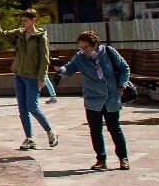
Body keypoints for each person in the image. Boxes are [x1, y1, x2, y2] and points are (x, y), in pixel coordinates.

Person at [52, 30, 131, 170]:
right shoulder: (79, 57)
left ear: (94, 45)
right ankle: (101, 159)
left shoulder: (108, 52)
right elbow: (69, 70)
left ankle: (123, 158)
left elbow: (124, 68)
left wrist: (122, 85)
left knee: (114, 128)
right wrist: (60, 69)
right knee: (95, 130)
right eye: (81, 47)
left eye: (86, 47)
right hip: (92, 98)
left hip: (111, 97)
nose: (83, 50)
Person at [0, 8, 58, 150]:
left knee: (32, 107)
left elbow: (44, 59)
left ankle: (50, 132)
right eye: (22, 20)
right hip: (19, 75)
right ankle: (29, 138)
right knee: (22, 109)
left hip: (32, 77)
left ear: (33, 20)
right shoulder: (18, 34)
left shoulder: (40, 38)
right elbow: (0, 35)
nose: (23, 23)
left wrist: (42, 77)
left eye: (26, 20)